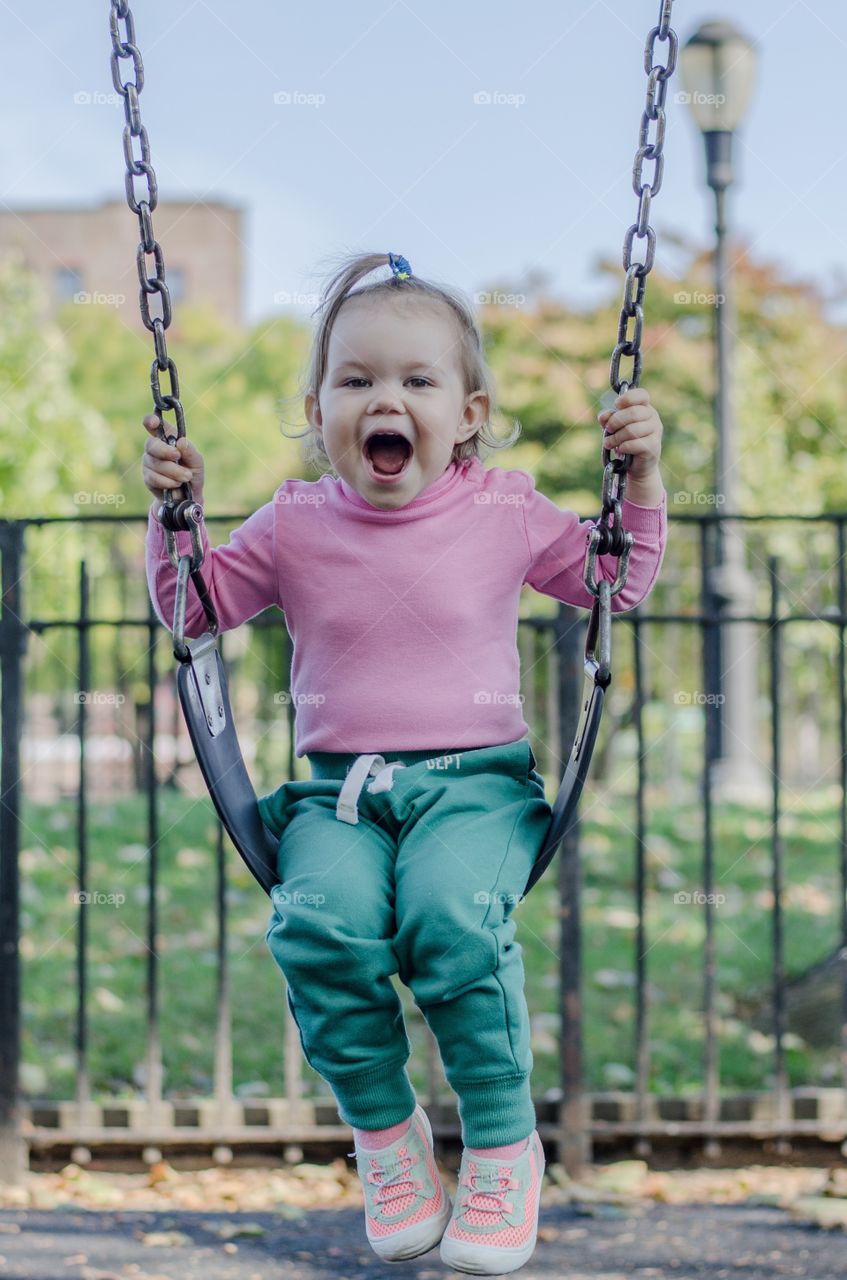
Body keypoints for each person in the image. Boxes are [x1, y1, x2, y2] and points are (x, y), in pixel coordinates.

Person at [143, 250, 668, 1275]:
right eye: (357, 378)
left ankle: (504, 1144)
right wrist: (172, 516)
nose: (387, 398)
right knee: (317, 925)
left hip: (476, 786)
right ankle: (388, 1138)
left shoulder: (505, 510)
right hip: (336, 795)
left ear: (467, 411)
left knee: (449, 922)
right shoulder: (294, 521)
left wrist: (640, 477)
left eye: (417, 380)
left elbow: (619, 579)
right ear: (317, 404)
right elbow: (190, 607)